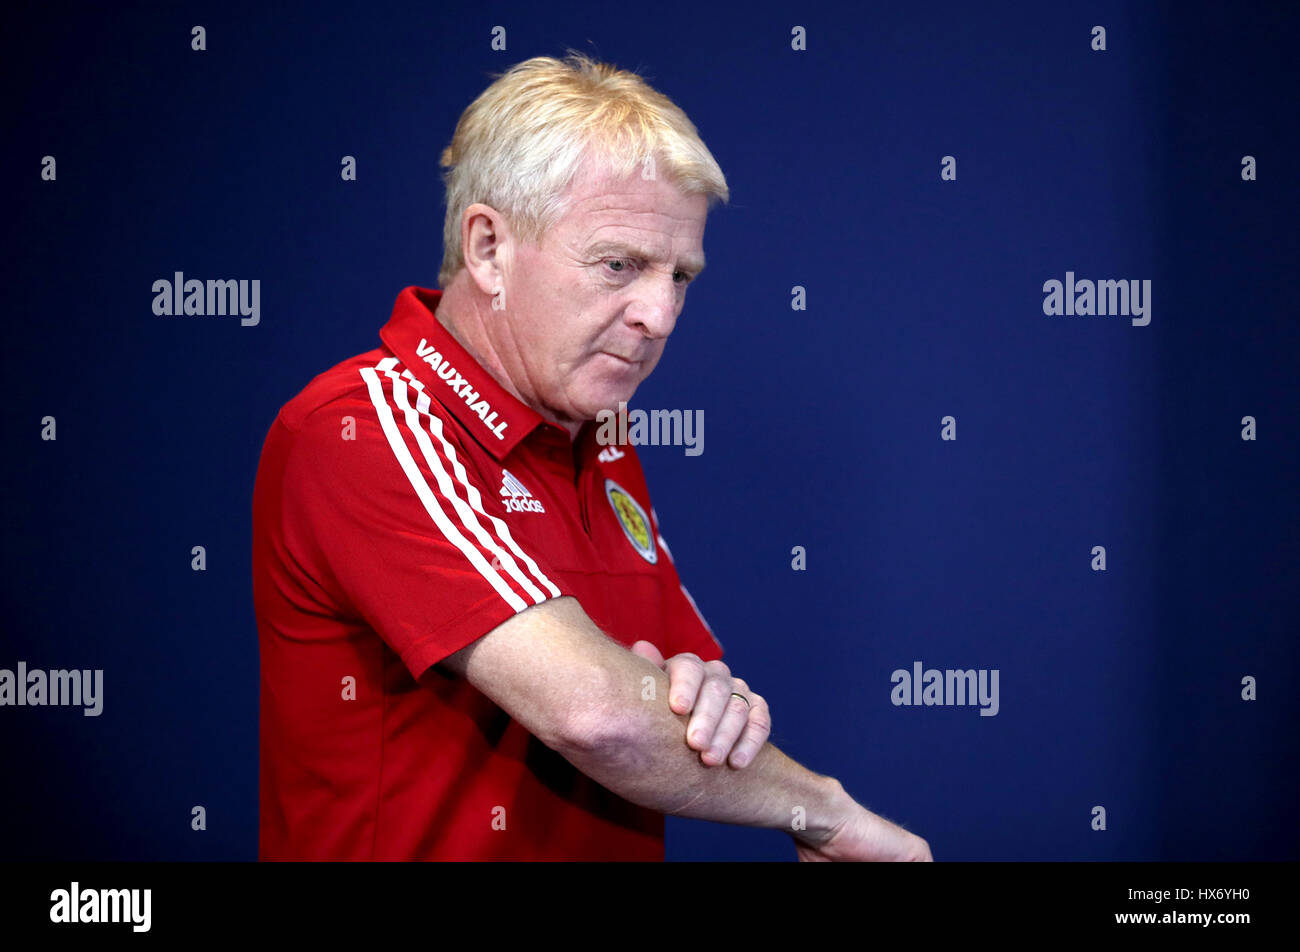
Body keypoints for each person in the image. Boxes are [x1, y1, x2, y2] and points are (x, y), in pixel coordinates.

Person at [252, 51, 932, 862]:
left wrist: (685, 696)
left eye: (681, 275)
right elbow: (598, 716)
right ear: (488, 249)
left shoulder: (598, 437)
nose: (661, 314)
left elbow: (694, 701)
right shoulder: (363, 425)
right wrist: (822, 812)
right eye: (620, 265)